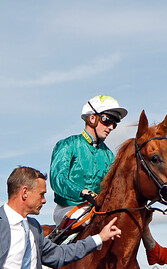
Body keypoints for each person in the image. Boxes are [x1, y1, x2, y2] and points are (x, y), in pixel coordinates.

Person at [49, 95, 127, 225]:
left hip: (97, 210)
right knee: (90, 223)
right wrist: (83, 192)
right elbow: (58, 179)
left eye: (115, 123)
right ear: (92, 118)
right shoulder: (68, 145)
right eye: (107, 121)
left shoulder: (108, 155)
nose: (111, 127)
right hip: (69, 209)